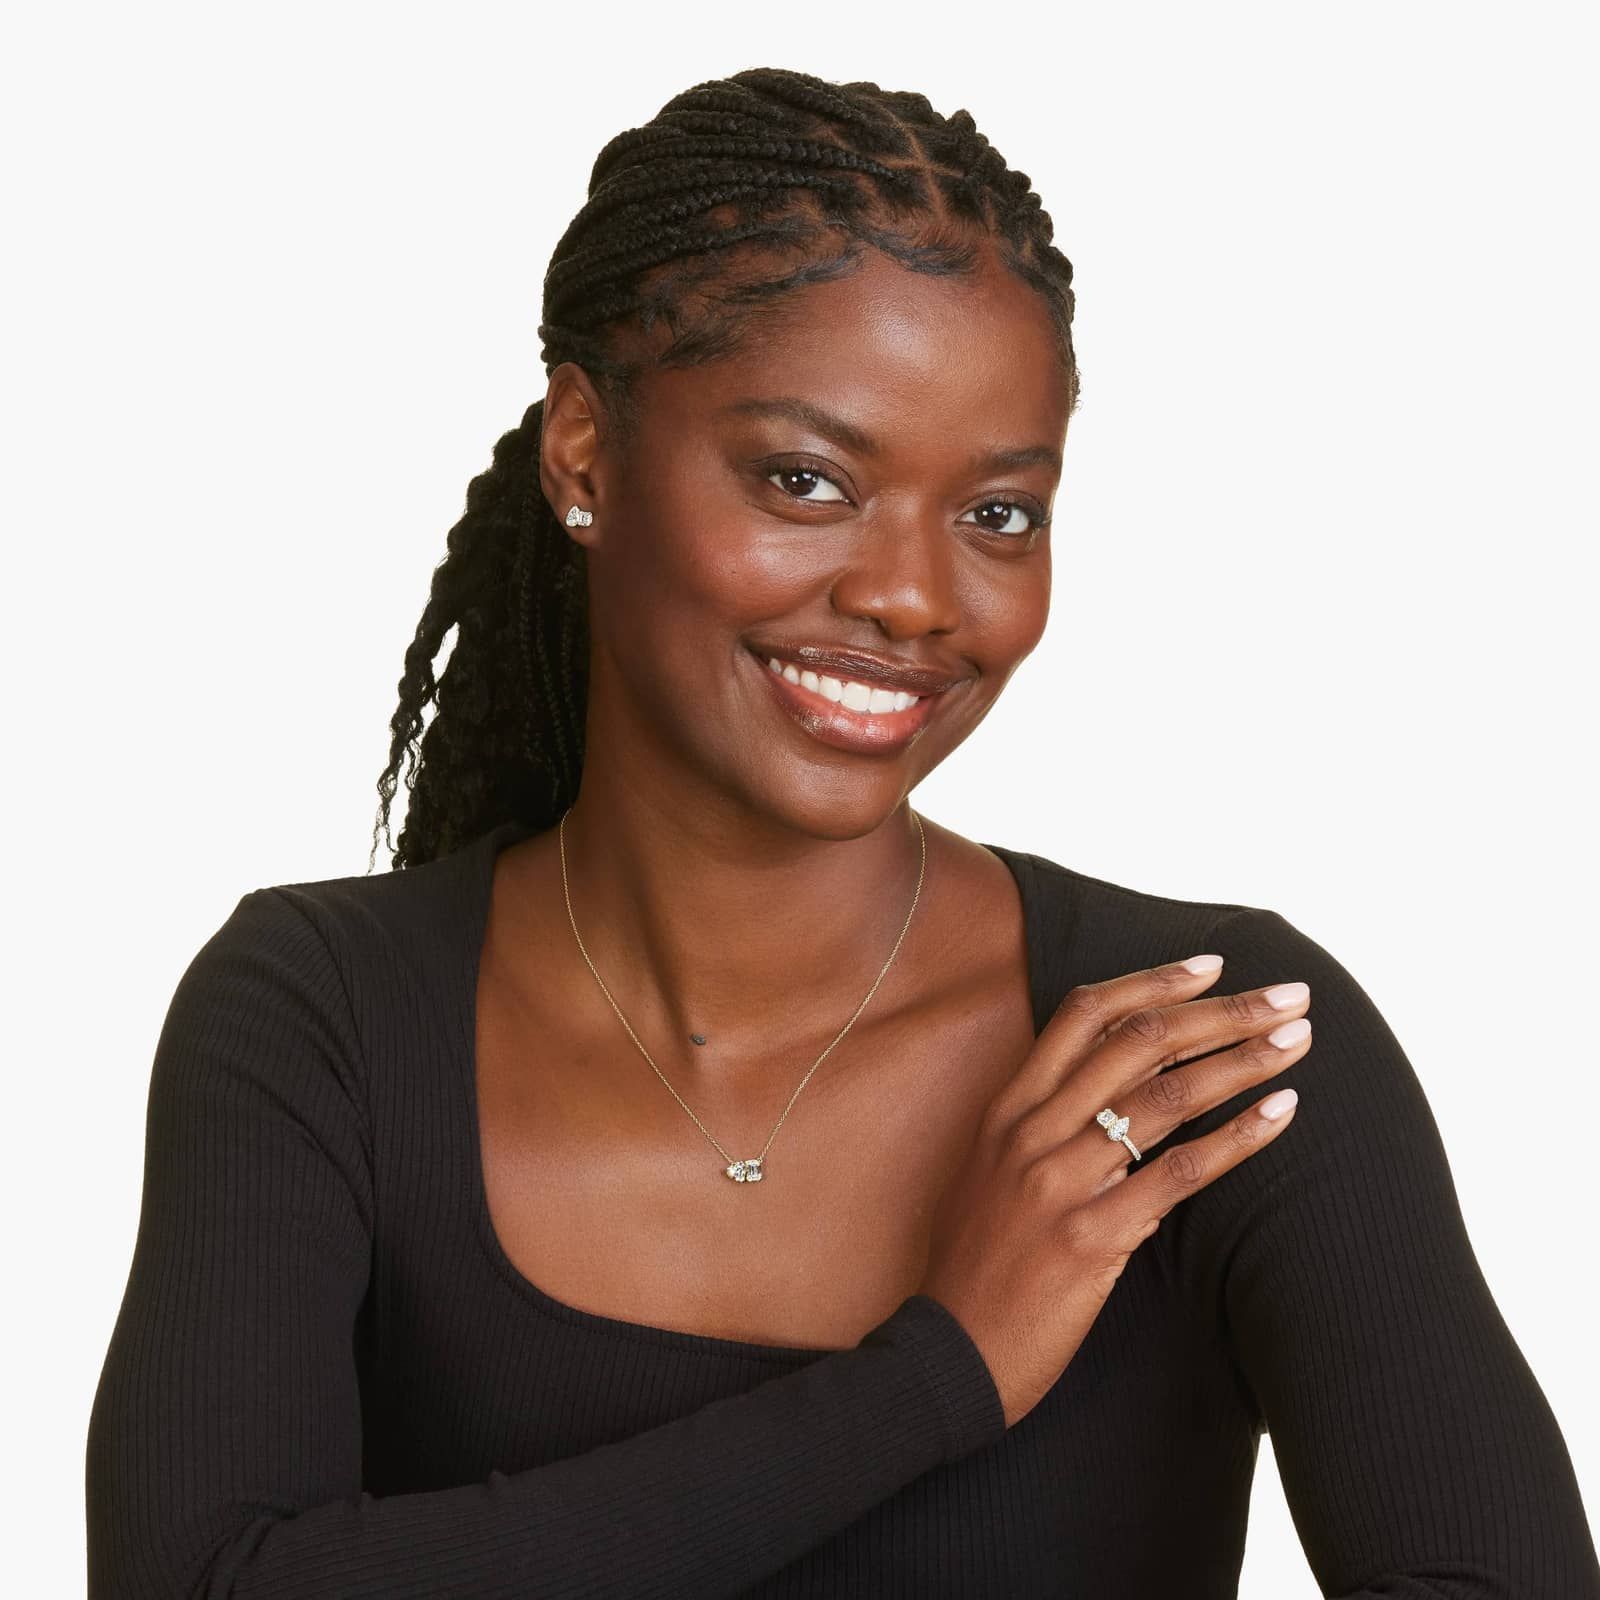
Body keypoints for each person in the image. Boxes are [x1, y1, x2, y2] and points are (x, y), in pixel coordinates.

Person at [85, 66, 1598, 1599]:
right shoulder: (323, 1016)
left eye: (998, 513)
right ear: (585, 454)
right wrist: (937, 1378)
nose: (914, 598)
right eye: (807, 480)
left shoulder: (1199, 1055)